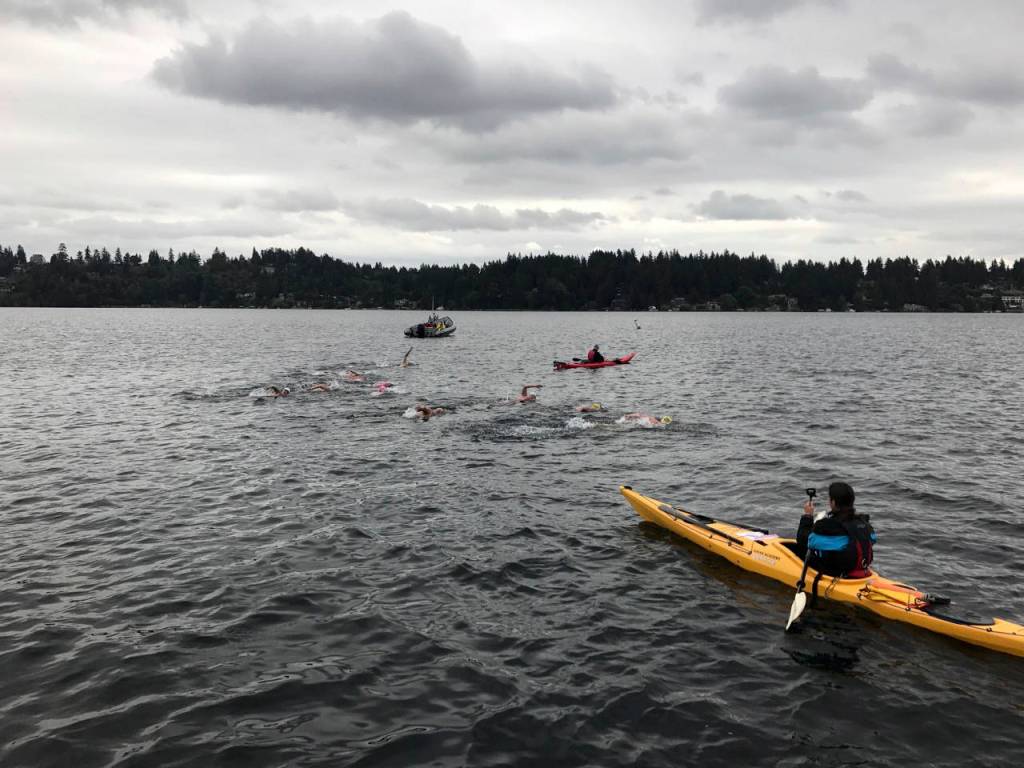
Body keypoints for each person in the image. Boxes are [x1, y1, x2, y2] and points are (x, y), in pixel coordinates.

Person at [796, 482, 876, 578]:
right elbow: (873, 538)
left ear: (833, 502)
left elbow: (804, 540)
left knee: (800, 549)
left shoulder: (828, 525)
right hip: (861, 569)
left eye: (829, 498)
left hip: (837, 573)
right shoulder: (863, 522)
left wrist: (808, 516)